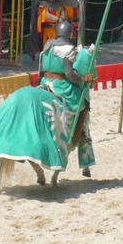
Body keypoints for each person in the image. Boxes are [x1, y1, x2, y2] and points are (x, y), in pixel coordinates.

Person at [38, 21, 96, 176]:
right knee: (84, 106)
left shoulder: (47, 46)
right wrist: (82, 79)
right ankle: (81, 142)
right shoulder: (68, 49)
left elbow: (40, 70)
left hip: (44, 83)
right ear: (71, 34)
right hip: (62, 88)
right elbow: (69, 73)